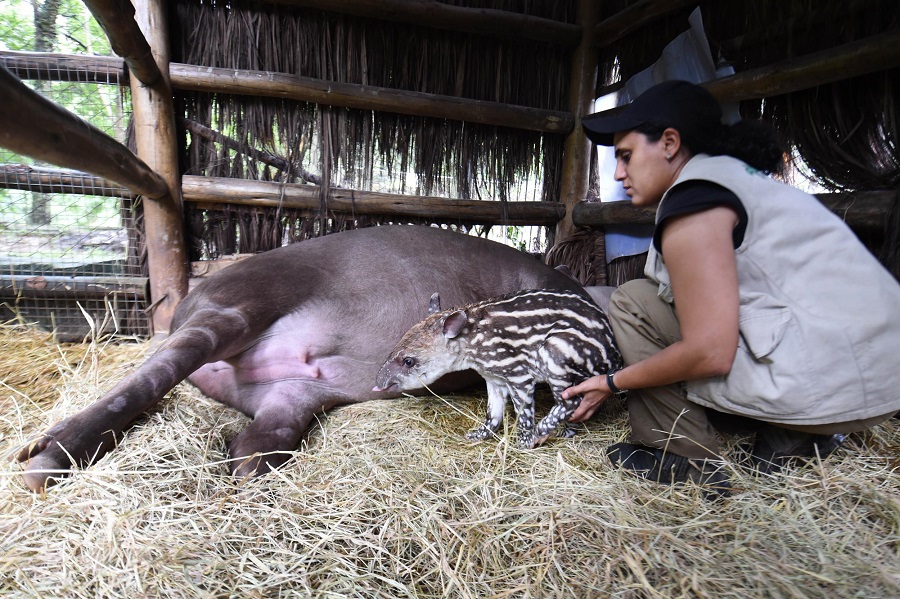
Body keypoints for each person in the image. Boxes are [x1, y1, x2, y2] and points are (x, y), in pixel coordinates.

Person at [565, 80, 900, 497]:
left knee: (633, 302)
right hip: (868, 378)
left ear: (670, 142)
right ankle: (790, 436)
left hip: (834, 385)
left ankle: (688, 457)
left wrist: (612, 382)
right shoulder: (738, 180)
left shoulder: (695, 202)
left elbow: (710, 352)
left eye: (626, 156)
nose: (618, 173)